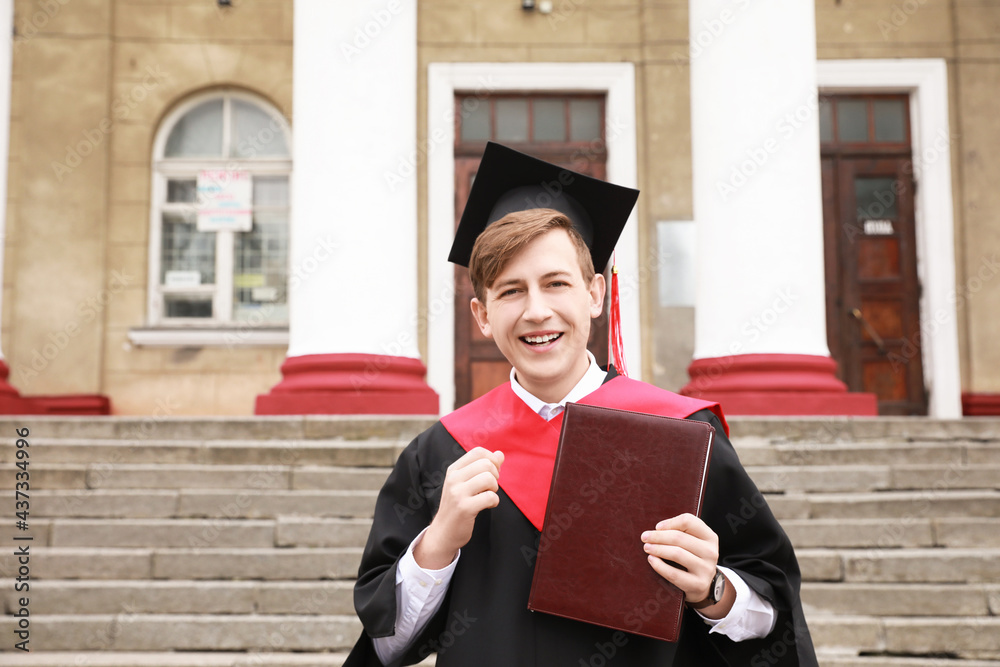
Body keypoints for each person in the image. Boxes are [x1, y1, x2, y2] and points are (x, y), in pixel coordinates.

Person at [345, 143, 817, 666]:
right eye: (510, 292)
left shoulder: (684, 435)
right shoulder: (441, 455)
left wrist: (712, 591)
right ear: (481, 315)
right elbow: (388, 646)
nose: (536, 311)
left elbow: (774, 615)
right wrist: (437, 544)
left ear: (595, 294)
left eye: (556, 284)